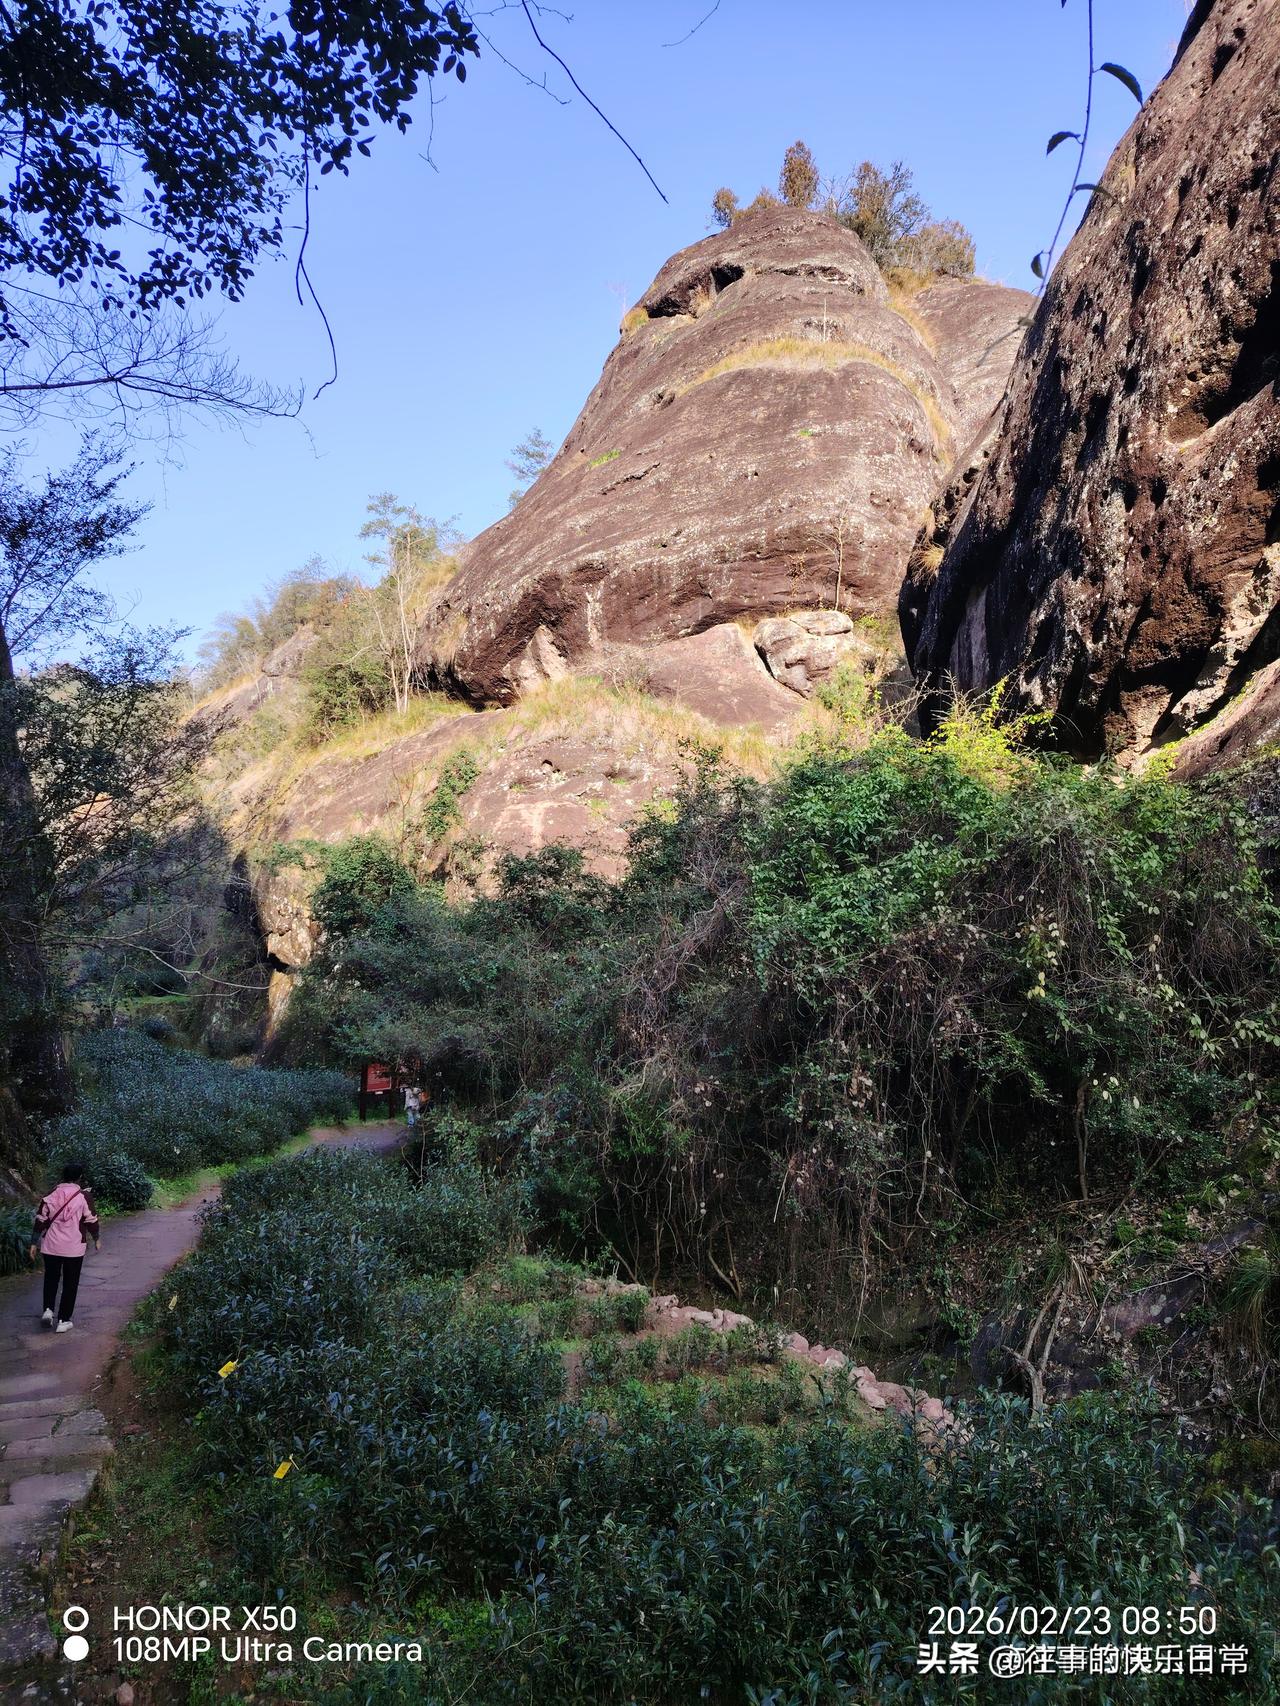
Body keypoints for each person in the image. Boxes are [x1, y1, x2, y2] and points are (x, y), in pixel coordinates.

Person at [30, 1163, 100, 1333]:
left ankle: (48, 1310)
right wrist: (97, 1238)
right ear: (80, 1178)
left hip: (51, 1245)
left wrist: (33, 1242)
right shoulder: (84, 1197)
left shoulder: (51, 1194)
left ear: (63, 1176)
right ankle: (63, 1320)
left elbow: (41, 1220)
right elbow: (91, 1220)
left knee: (51, 1279)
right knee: (70, 1283)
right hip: (73, 1248)